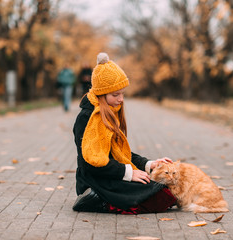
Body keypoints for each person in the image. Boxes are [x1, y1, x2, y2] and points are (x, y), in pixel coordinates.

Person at [72, 53, 176, 214]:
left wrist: (149, 165)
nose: (121, 99)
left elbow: (120, 154)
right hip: (94, 179)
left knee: (165, 190)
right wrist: (128, 173)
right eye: (115, 95)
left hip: (111, 173)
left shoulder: (111, 112)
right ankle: (93, 198)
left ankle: (108, 198)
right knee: (158, 197)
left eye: (122, 94)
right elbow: (90, 164)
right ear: (101, 94)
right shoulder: (87, 118)